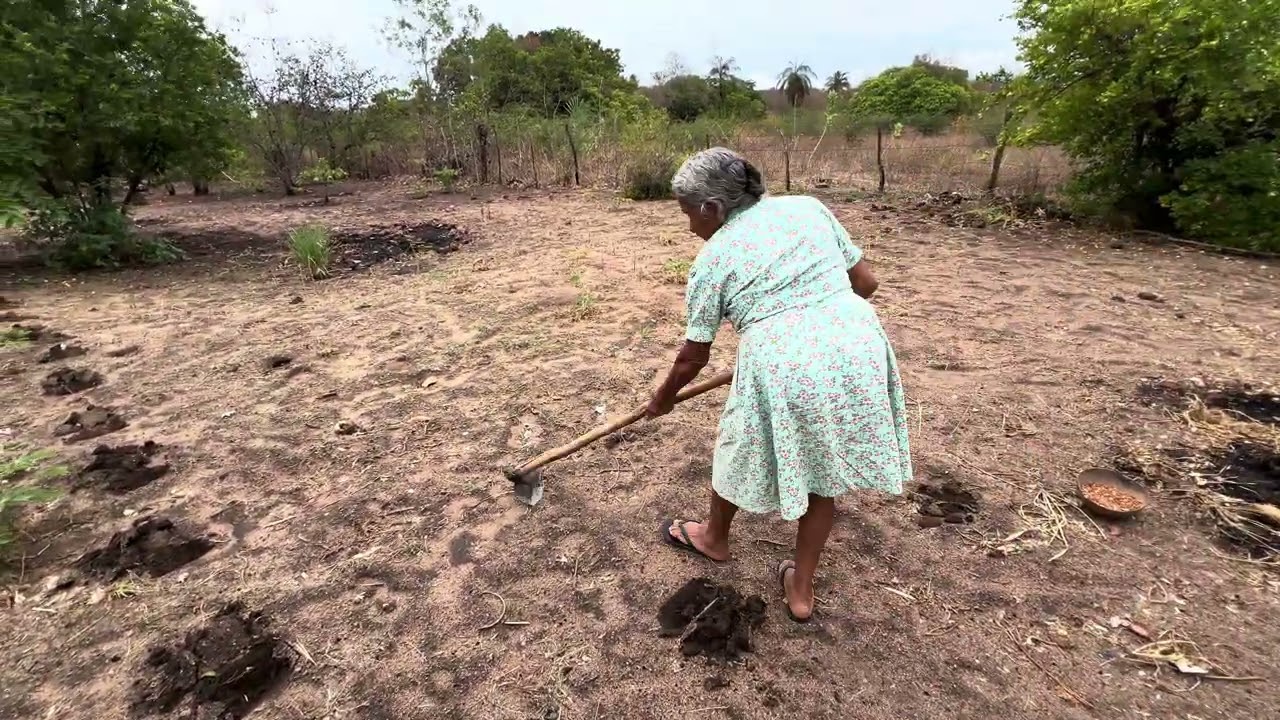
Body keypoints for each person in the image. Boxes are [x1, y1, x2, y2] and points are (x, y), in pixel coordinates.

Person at [647, 147, 911, 623]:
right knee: (824, 470)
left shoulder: (713, 258)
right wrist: (815, 322)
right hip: (858, 345)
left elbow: (693, 356)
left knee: (737, 446)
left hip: (783, 362)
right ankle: (801, 591)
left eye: (688, 214)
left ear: (712, 207)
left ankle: (714, 538)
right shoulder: (808, 208)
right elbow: (866, 284)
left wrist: (662, 399)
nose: (688, 227)